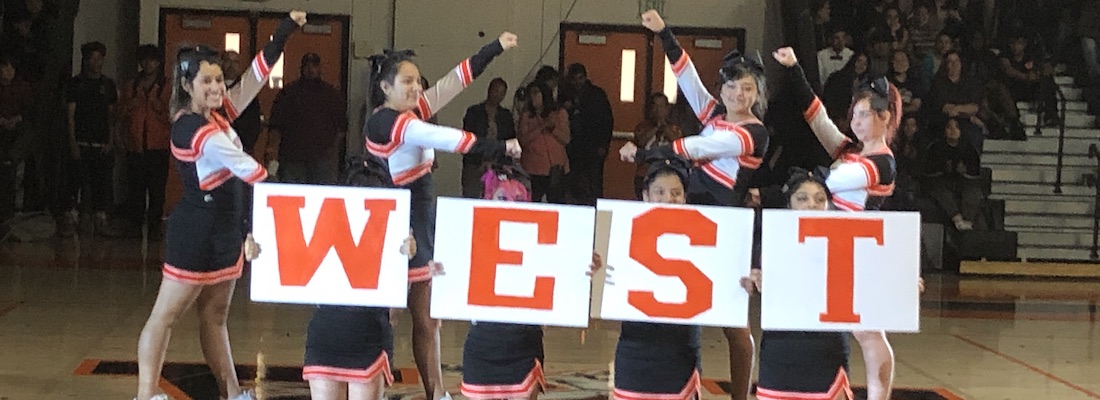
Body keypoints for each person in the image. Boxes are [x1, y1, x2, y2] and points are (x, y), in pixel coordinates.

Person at [133, 11, 306, 400]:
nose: (217, 87)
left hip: (225, 232)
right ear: (186, 84)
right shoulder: (190, 127)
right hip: (195, 232)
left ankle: (232, 392)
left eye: (218, 79)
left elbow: (255, 76)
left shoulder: (217, 113)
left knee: (215, 317)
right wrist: (299, 197)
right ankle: (146, 394)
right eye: (206, 81)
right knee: (166, 316)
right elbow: (248, 168)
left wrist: (285, 30)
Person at [621, 10, 771, 400]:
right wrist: (664, 35)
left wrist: (643, 153)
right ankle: (681, 384)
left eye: (749, 89)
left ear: (758, 94)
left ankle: (741, 395)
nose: (740, 95)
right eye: (734, 88)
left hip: (724, 226)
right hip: (691, 219)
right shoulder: (717, 114)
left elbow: (699, 148)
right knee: (678, 305)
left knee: (733, 324)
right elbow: (689, 81)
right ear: (723, 90)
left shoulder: (754, 132)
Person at [363, 32, 521, 400]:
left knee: (428, 316)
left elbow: (458, 78)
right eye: (407, 81)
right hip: (390, 219)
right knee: (387, 313)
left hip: (420, 214)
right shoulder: (387, 122)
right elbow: (442, 138)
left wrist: (495, 47)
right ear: (385, 86)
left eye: (418, 81)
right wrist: (498, 146)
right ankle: (373, 389)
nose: (416, 87)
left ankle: (437, 393)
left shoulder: (412, 110)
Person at [774, 46, 898, 400]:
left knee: (869, 333)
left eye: (863, 115)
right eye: (854, 115)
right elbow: (818, 120)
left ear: (884, 118)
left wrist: (788, 187)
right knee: (860, 332)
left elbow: (826, 184)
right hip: (838, 250)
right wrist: (795, 69)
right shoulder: (852, 153)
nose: (856, 122)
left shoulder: (882, 162)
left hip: (859, 253)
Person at [302, 154, 421, 400]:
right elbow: (395, 312)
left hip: (326, 334)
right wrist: (406, 261)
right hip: (368, 335)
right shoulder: (395, 241)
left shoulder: (322, 229)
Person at [596, 154, 703, 400]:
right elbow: (603, 303)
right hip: (635, 350)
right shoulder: (623, 234)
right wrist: (596, 273)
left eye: (676, 193)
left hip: (682, 355)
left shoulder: (703, 239)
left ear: (685, 197)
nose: (669, 199)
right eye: (660, 192)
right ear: (645, 196)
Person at [741, 171, 854, 400]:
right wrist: (748, 284)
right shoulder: (767, 243)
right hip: (780, 353)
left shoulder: (849, 246)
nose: (812, 204)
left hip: (828, 352)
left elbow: (876, 286)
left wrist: (902, 287)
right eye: (802, 198)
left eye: (820, 199)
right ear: (789, 204)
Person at [267, 52, 348, 185]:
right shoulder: (288, 93)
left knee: (322, 197)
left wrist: (331, 151)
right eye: (307, 65)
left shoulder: (331, 95)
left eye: (314, 65)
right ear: (301, 68)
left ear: (320, 68)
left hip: (323, 159)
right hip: (292, 157)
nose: (310, 69)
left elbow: (342, 127)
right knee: (293, 197)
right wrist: (272, 151)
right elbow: (275, 126)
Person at [64, 41, 118, 236]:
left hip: (101, 141)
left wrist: (111, 140)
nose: (97, 62)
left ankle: (100, 219)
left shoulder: (108, 85)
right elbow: (70, 115)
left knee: (101, 182)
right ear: (85, 60)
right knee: (75, 181)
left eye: (100, 58)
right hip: (80, 140)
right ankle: (72, 217)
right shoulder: (75, 84)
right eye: (93, 58)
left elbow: (112, 116)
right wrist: (72, 141)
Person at [119, 44, 171, 240]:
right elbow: (118, 114)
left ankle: (155, 227)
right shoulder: (131, 86)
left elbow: (173, 116)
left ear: (158, 62)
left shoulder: (167, 86)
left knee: (157, 190)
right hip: (135, 146)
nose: (149, 64)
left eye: (152, 60)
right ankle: (134, 226)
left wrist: (159, 108)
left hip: (158, 146)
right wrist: (129, 107)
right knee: (135, 189)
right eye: (145, 60)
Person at [563, 63, 613, 206]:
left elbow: (607, 121)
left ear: (585, 77)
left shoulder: (597, 95)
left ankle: (596, 213)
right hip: (572, 149)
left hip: (593, 147)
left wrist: (604, 144)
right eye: (575, 79)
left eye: (580, 78)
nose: (578, 82)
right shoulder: (566, 95)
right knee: (573, 183)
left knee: (594, 184)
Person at [461, 77, 516, 198]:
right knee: (471, 197)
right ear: (489, 90)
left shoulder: (506, 115)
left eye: (502, 93)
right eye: (496, 91)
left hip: (498, 165)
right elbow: (467, 138)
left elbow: (510, 138)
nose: (498, 95)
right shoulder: (474, 112)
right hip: (475, 164)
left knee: (497, 199)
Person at [517, 81, 569, 203]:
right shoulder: (527, 115)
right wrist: (541, 127)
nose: (533, 97)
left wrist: (552, 128)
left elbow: (566, 139)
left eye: (536, 93)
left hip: (556, 168)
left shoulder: (559, 113)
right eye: (531, 94)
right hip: (533, 169)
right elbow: (522, 141)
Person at [630, 92, 682, 198]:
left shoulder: (674, 129)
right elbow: (640, 142)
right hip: (644, 173)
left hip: (668, 174)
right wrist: (656, 127)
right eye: (655, 106)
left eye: (662, 106)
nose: (658, 110)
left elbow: (678, 143)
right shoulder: (642, 127)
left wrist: (664, 126)